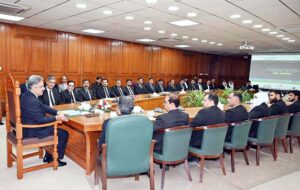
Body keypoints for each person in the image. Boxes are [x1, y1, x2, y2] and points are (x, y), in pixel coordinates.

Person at [21, 75, 69, 166]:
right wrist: (57, 118)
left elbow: (43, 107)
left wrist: (57, 112)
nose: (43, 88)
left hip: (30, 125)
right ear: (34, 87)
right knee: (63, 134)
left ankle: (48, 155)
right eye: (41, 86)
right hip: (32, 130)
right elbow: (40, 120)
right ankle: (54, 159)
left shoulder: (27, 94)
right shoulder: (31, 100)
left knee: (54, 128)